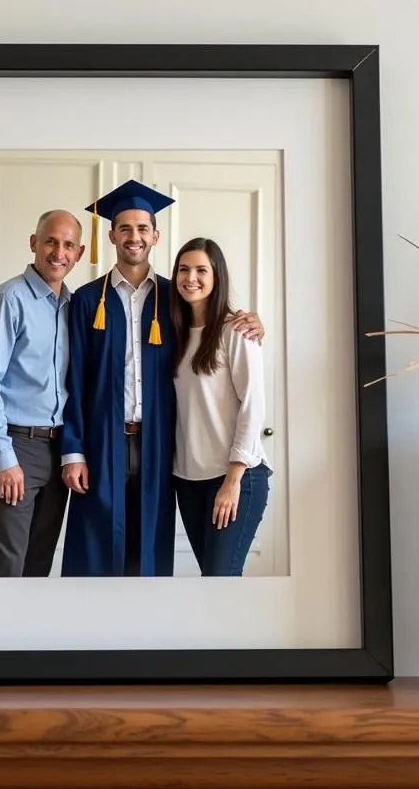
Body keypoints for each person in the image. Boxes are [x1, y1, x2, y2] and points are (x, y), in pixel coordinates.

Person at [59, 179, 264, 577]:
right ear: (112, 235)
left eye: (142, 229)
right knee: (95, 546)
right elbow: (73, 382)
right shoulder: (86, 300)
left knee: (147, 548)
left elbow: (216, 326)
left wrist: (253, 322)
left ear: (155, 236)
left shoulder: (176, 298)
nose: (133, 237)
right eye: (124, 228)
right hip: (102, 443)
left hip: (160, 445)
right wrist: (73, 452)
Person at [0, 209, 85, 576]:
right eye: (50, 241)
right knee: (7, 567)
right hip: (15, 445)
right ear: (34, 243)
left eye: (68, 245)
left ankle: (28, 636)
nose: (58, 252)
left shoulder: (74, 307)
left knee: (37, 569)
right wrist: (4, 460)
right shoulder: (7, 300)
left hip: (58, 451)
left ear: (79, 253)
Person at [170, 237, 271, 576]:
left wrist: (232, 480)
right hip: (188, 480)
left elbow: (253, 406)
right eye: (183, 269)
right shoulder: (174, 333)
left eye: (201, 270)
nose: (191, 278)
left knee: (221, 581)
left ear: (217, 277)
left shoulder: (237, 331)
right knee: (212, 585)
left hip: (235, 477)